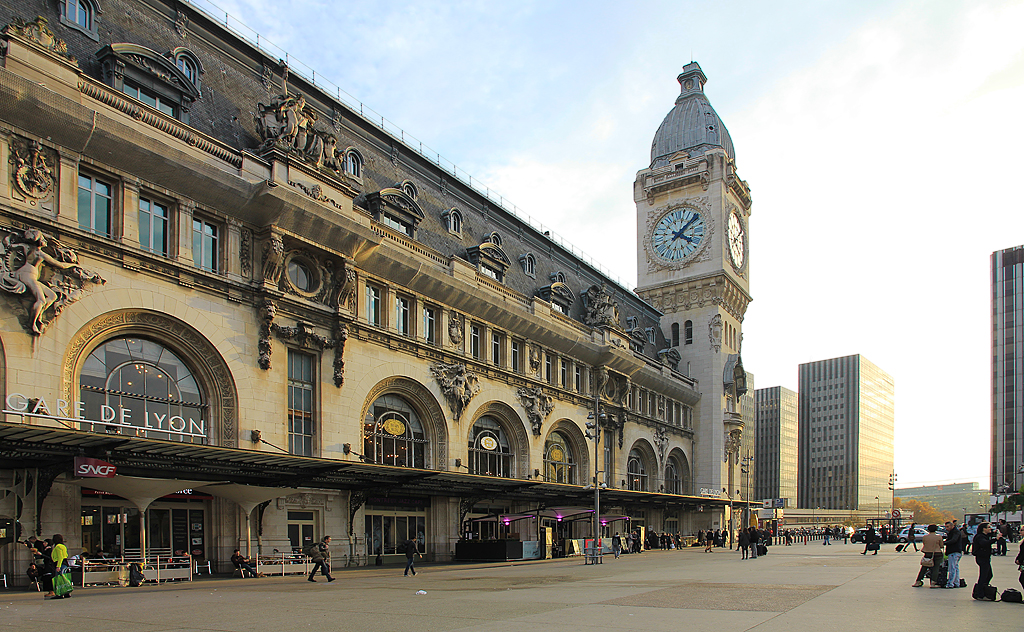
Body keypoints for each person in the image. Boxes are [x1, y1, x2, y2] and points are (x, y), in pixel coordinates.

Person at [973, 522, 994, 591]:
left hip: (986, 558)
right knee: (983, 576)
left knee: (989, 575)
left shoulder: (985, 536)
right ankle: (980, 592)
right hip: (982, 558)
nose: (990, 528)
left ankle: (984, 589)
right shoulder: (980, 536)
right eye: (988, 527)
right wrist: (995, 539)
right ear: (984, 529)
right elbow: (984, 543)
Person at [943, 520, 963, 589]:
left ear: (952, 526)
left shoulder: (955, 532)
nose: (946, 528)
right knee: (956, 568)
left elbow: (953, 540)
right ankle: (956, 582)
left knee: (952, 568)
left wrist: (944, 543)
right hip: (957, 551)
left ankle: (950, 583)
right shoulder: (954, 532)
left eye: (948, 527)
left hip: (953, 551)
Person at [50, 534, 69, 599]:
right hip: (65, 563)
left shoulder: (58, 546)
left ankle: (59, 594)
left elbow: (60, 557)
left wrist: (58, 566)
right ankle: (67, 592)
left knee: (59, 579)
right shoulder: (63, 546)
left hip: (59, 563)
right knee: (64, 579)